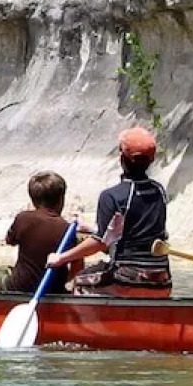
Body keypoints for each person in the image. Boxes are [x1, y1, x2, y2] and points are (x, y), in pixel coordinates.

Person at [47, 126, 172, 297]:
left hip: (127, 279)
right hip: (162, 280)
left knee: (79, 280)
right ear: (151, 160)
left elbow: (100, 242)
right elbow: (134, 231)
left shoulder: (111, 196)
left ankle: (89, 323)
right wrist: (90, 229)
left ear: (122, 158)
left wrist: (60, 258)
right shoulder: (159, 191)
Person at [0, 171, 80, 293]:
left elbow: (10, 240)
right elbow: (77, 265)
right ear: (61, 199)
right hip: (54, 289)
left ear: (33, 200)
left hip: (20, 286)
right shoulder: (67, 229)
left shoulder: (23, 218)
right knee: (3, 269)